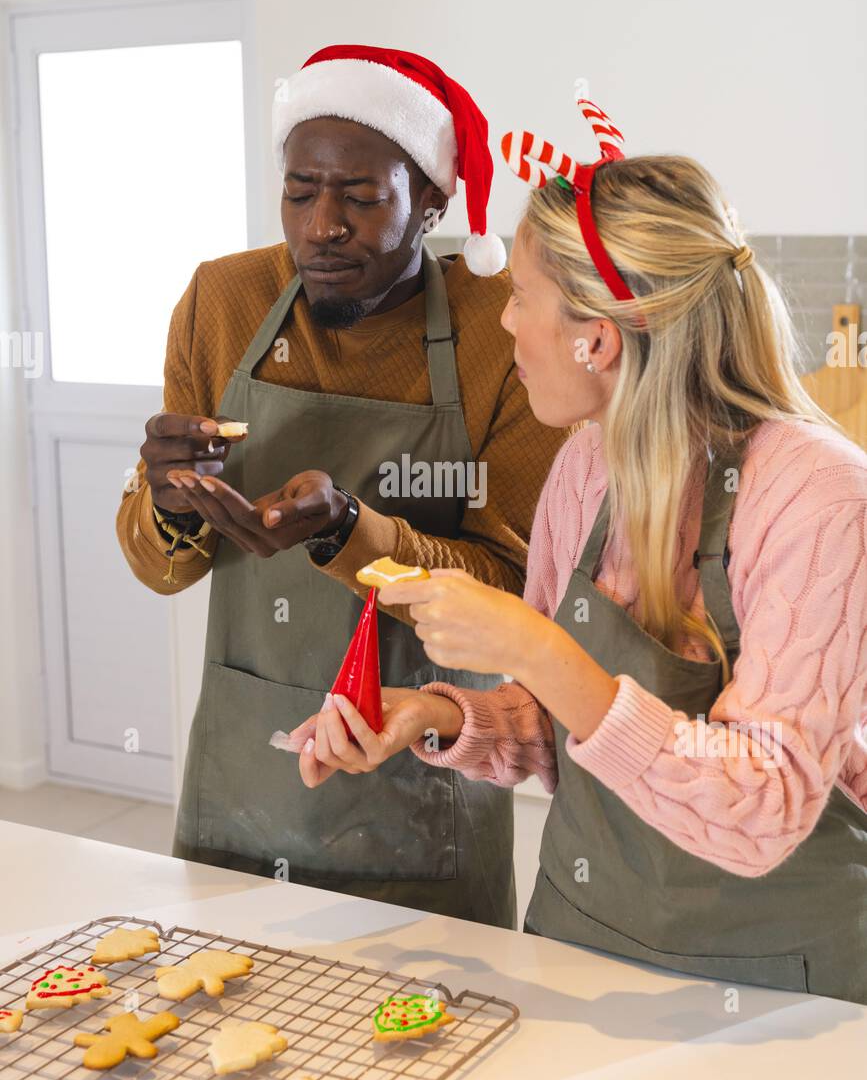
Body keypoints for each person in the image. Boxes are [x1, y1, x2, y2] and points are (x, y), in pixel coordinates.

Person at [284, 97, 867, 1003]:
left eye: (520, 298)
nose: (504, 324)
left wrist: (533, 643)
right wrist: (439, 717)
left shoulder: (816, 495)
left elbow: (763, 810)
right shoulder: (586, 464)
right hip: (580, 947)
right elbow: (563, 734)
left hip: (781, 985)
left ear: (595, 337)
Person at [115, 45, 570, 927]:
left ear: (431, 200)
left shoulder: (498, 329)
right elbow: (160, 571)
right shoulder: (224, 301)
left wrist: (352, 534)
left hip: (420, 779)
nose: (321, 225)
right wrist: (166, 505)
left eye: (361, 197)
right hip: (244, 779)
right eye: (298, 191)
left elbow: (515, 593)